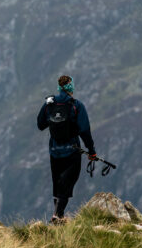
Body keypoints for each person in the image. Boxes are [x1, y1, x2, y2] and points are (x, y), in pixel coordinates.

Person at [36, 74, 97, 223]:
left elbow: (40, 124)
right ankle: (58, 215)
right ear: (71, 88)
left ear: (59, 87)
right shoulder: (76, 105)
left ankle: (57, 214)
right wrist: (91, 151)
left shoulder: (49, 103)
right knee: (68, 182)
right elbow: (84, 130)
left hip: (54, 151)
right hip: (72, 150)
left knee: (57, 183)